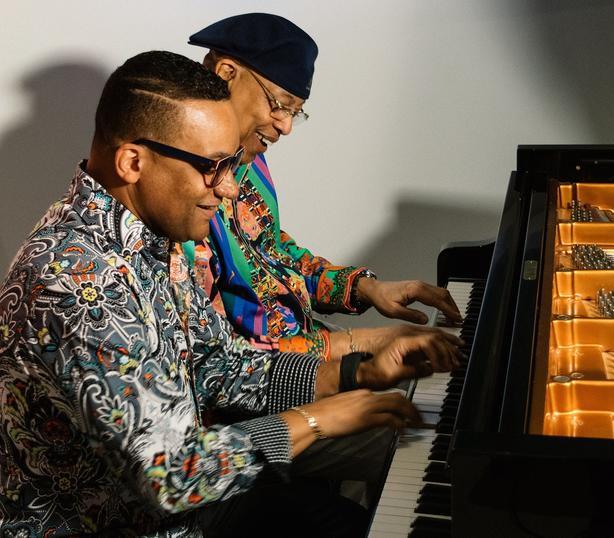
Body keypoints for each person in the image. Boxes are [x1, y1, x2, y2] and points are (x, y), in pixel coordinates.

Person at [0, 50, 461, 537]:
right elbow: (170, 476)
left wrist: (358, 370)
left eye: (231, 166)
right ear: (132, 161)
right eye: (213, 167)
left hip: (201, 508)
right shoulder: (73, 283)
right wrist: (315, 420)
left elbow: (222, 363)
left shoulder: (155, 238)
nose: (230, 190)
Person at [183, 13, 464, 361]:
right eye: (280, 105)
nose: (286, 127)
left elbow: (272, 256)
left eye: (295, 112)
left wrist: (365, 287)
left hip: (305, 354)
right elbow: (219, 361)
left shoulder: (248, 161)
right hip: (267, 385)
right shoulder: (180, 185)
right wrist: (358, 347)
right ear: (226, 73)